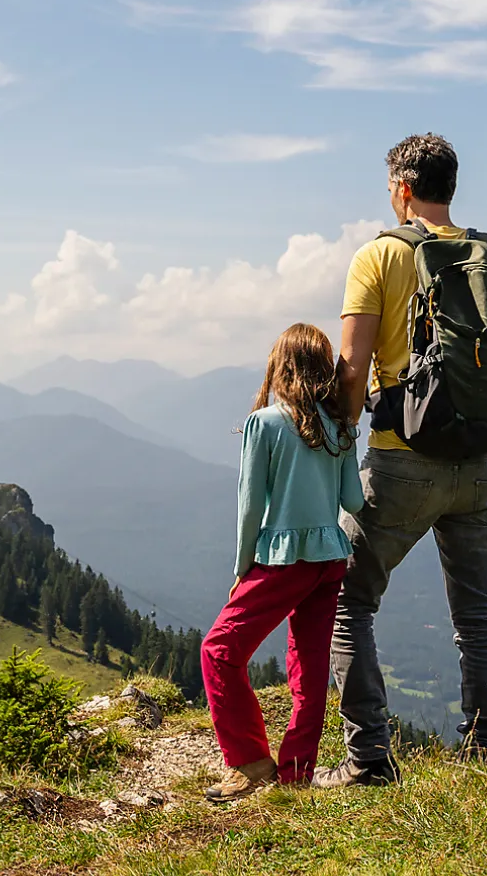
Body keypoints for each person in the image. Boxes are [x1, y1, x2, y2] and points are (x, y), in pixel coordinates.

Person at [317, 133, 487, 788]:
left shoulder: (378, 256)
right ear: (451, 187)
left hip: (400, 462)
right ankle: (483, 761)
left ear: (402, 190)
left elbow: (353, 371)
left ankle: (370, 762)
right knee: (479, 616)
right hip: (483, 466)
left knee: (346, 600)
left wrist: (335, 447)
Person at [201, 322, 366, 803]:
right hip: (330, 558)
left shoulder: (266, 423)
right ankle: (295, 774)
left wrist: (242, 568)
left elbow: (250, 505)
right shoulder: (340, 427)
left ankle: (249, 763)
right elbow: (353, 500)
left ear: (281, 366)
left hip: (282, 559)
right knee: (309, 667)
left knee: (218, 651)